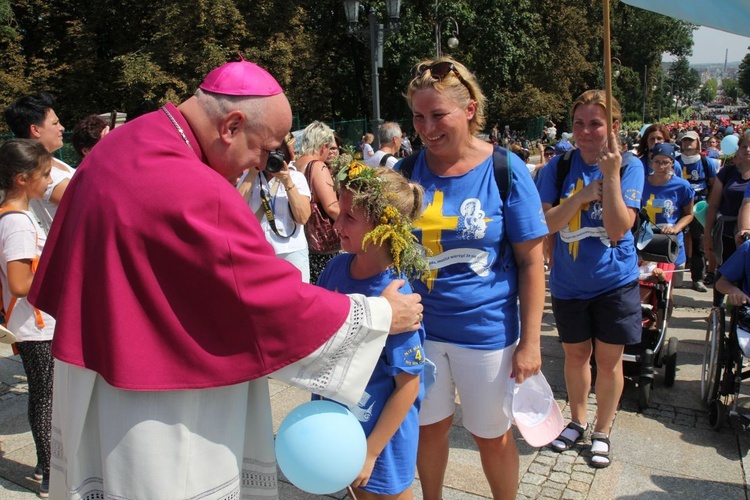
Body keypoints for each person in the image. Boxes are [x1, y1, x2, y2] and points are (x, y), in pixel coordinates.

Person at [26, 59, 424, 500]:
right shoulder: (199, 189)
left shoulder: (119, 146)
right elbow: (266, 302)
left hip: (97, 379)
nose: (261, 165)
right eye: (265, 148)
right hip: (163, 408)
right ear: (232, 126)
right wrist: (380, 314)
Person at [403, 57, 548, 500]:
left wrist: (531, 341)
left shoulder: (505, 169)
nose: (427, 128)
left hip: (486, 333)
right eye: (418, 116)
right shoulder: (406, 172)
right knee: (428, 431)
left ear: (468, 110)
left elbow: (531, 261)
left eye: (438, 115)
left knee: (491, 435)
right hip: (420, 332)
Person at [537, 90, 644, 469]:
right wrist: (580, 197)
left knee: (609, 362)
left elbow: (618, 228)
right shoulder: (559, 167)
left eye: (595, 123)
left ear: (613, 126)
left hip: (615, 281)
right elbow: (544, 223)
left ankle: (602, 430)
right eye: (579, 123)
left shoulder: (629, 165)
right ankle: (578, 420)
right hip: (569, 284)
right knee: (575, 355)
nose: (585, 131)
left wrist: (611, 175)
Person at [316, 159, 428, 499]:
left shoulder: (398, 298)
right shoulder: (335, 269)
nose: (336, 223)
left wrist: (371, 452)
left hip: (380, 439)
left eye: (349, 217)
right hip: (341, 424)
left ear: (383, 227)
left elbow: (408, 387)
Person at [0, 139, 56, 497]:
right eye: (45, 174)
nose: (49, 181)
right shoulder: (18, 222)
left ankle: (47, 465)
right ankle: (50, 471)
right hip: (35, 327)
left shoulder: (12, 214)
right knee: (46, 397)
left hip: (32, 325)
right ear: (22, 178)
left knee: (43, 395)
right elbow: (20, 283)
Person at [240, 132, 312, 282]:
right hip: (258, 254)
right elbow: (234, 210)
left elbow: (303, 217)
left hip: (292, 252)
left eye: (277, 153)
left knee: (297, 300)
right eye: (267, 153)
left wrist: (287, 182)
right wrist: (253, 173)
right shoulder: (250, 178)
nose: (271, 158)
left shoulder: (296, 178)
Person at [4, 93, 75, 233]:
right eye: (55, 123)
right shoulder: (42, 172)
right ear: (35, 130)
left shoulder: (51, 162)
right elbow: (90, 196)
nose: (61, 128)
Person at [705, 133, 750, 305]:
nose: (748, 150)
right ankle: (717, 308)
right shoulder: (727, 173)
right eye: (744, 146)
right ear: (737, 151)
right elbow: (713, 205)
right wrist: (708, 233)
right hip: (726, 230)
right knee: (724, 271)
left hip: (746, 233)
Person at [295, 121, 340, 284]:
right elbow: (332, 207)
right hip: (324, 248)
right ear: (323, 146)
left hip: (305, 244)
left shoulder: (296, 165)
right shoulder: (317, 166)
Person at [641, 143, 694, 270]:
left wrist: (676, 228)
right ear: (651, 162)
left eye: (665, 162)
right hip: (644, 242)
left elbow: (689, 214)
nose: (661, 166)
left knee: (669, 285)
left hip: (670, 242)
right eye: (657, 162)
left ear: (672, 163)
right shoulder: (640, 183)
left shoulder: (682, 186)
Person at [677, 130, 718, 292]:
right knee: (675, 240)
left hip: (699, 207)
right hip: (679, 207)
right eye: (685, 141)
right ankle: (674, 276)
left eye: (691, 141)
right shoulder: (676, 162)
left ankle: (698, 278)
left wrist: (708, 203)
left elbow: (714, 184)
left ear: (698, 144)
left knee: (699, 242)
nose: (687, 144)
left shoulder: (706, 162)